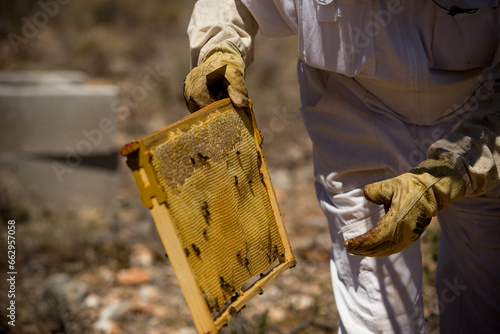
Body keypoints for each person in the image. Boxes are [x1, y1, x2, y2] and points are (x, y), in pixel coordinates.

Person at [183, 0, 500, 333]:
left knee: (486, 294)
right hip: (356, 112)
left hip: (479, 113)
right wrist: (218, 48)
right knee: (376, 310)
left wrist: (456, 173)